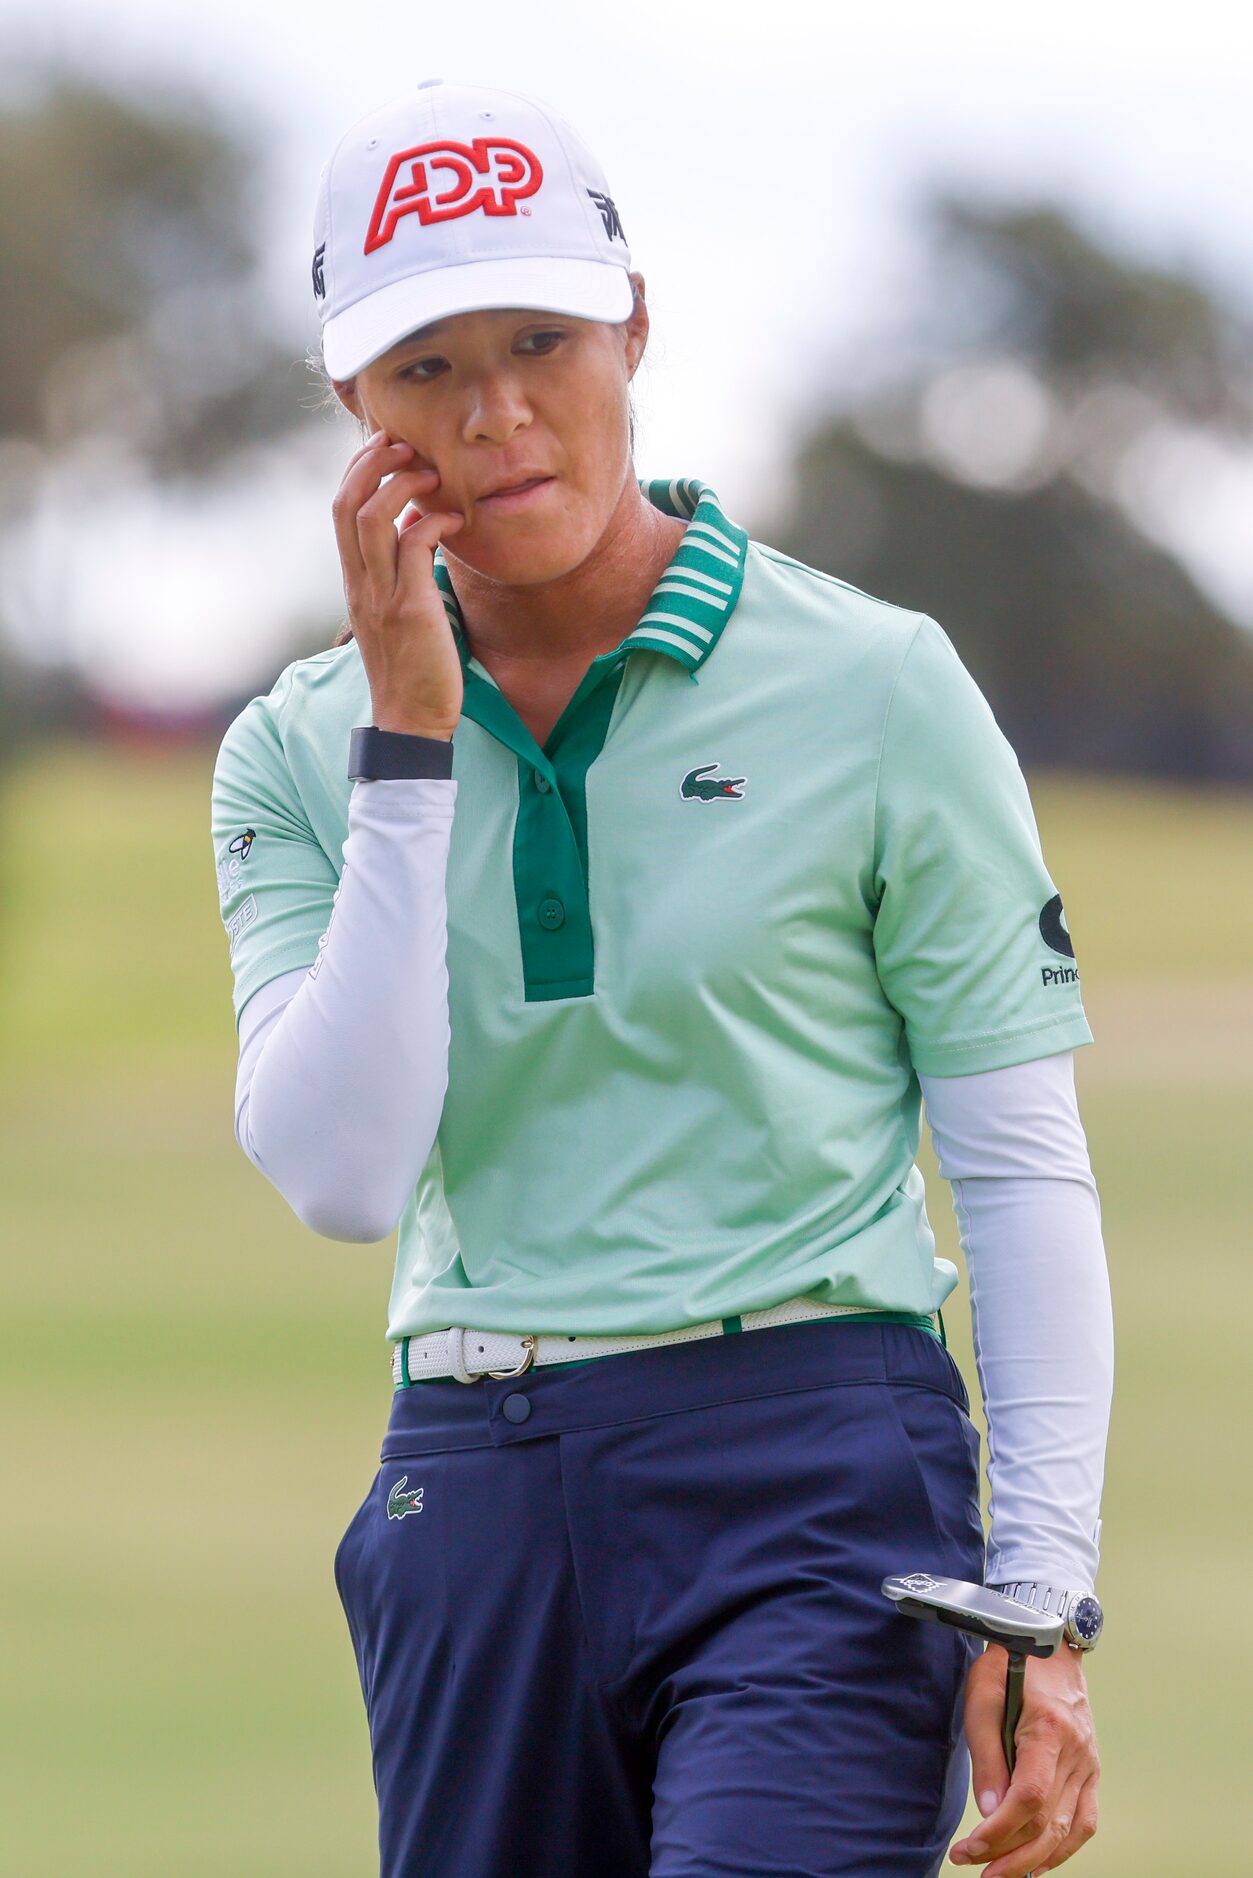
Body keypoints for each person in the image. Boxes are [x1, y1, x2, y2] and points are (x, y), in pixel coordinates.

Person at [210, 79, 1114, 1878]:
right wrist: (409, 746)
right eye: (425, 372)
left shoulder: (874, 685)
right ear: (351, 409)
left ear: (635, 325)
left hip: (813, 1467)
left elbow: (1014, 1157)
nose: (494, 417)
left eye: (540, 338)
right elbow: (340, 1176)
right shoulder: (295, 750)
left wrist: (1040, 1594)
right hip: (464, 1477)